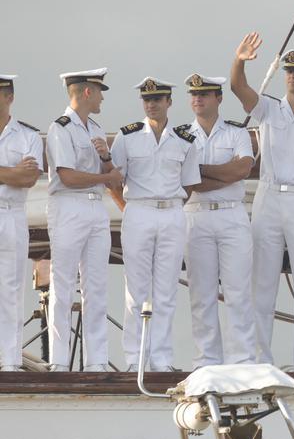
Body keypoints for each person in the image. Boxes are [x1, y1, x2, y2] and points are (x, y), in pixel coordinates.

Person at [229, 33, 294, 369]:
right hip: (270, 196)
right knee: (262, 284)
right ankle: (258, 360)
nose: (293, 76)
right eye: (290, 71)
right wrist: (239, 61)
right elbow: (238, 90)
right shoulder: (269, 107)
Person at [110, 78, 200, 371]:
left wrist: (169, 208)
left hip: (172, 212)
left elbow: (189, 185)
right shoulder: (127, 136)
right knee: (135, 290)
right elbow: (113, 179)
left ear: (169, 103)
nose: (151, 104)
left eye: (157, 99)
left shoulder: (185, 141)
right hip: (138, 211)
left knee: (166, 290)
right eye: (147, 100)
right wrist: (131, 209)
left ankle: (161, 359)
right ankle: (135, 358)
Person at [46, 68, 121, 372]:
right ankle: (59, 361)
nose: (103, 96)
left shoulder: (97, 129)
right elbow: (66, 176)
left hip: (95, 208)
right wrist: (105, 175)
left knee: (97, 286)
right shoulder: (60, 128)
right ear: (87, 92)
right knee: (63, 284)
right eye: (100, 90)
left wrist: (105, 158)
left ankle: (97, 360)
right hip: (68, 206)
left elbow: (113, 175)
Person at [181, 73, 256, 368]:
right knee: (201, 294)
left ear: (219, 98)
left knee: (238, 291)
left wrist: (197, 170)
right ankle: (207, 361)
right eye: (194, 94)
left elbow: (241, 171)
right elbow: (184, 179)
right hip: (196, 215)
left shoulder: (237, 133)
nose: (197, 98)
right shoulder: (181, 136)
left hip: (231, 214)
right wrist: (219, 173)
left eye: (205, 94)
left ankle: (243, 360)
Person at [0, 74, 44, 372]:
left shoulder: (27, 135)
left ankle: (11, 362)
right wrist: (10, 171)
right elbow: (16, 175)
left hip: (11, 213)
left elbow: (28, 178)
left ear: (10, 97)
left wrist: (18, 173)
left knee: (11, 290)